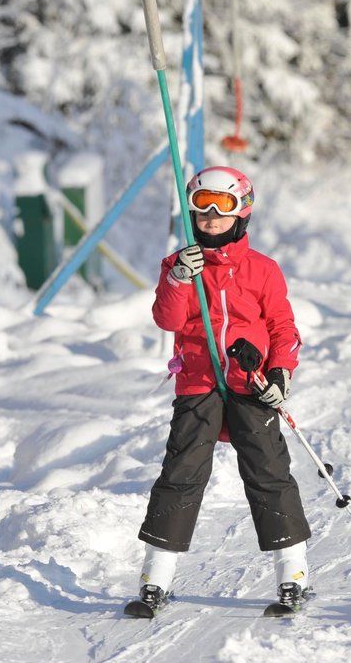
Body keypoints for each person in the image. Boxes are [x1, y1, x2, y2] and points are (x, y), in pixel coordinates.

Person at [130, 166, 311, 615]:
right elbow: (168, 321)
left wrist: (281, 372)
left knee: (268, 471)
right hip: (199, 381)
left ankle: (293, 574)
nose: (211, 215)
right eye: (202, 204)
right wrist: (177, 281)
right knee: (181, 472)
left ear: (242, 211)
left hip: (249, 382)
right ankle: (156, 577)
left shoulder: (262, 269)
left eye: (223, 205)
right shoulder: (178, 265)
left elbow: (282, 326)